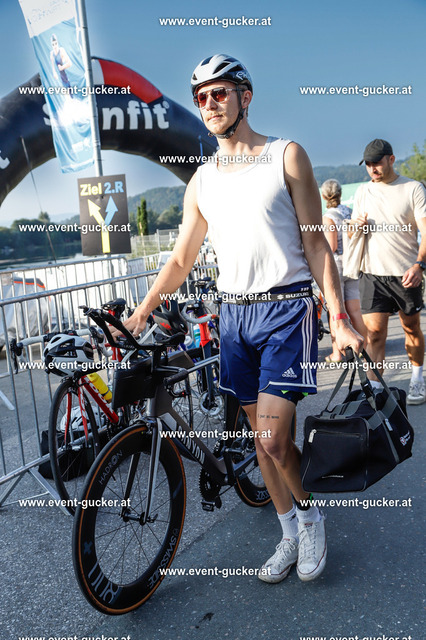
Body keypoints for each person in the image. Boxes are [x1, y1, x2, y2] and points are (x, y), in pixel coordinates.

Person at [117, 54, 363, 584]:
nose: (209, 103)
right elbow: (181, 259)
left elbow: (316, 245)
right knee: (260, 441)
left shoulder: (285, 156)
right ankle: (288, 531)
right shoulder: (202, 181)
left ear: (244, 97)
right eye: (200, 96)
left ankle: (311, 518)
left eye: (219, 92)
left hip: (286, 311)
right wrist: (141, 311)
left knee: (272, 439)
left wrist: (340, 317)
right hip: (233, 317)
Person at [350, 138, 426, 404]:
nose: (372, 169)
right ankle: (375, 392)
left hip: (406, 273)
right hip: (372, 273)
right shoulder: (363, 191)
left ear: (391, 160)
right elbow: (352, 232)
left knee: (411, 328)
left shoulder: (413, 188)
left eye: (377, 163)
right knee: (374, 334)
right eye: (368, 164)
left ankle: (417, 378)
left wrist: (420, 265)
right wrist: (355, 227)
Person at [321, 179, 367, 363]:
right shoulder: (349, 211)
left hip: (336, 266)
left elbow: (331, 246)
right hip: (352, 264)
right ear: (340, 194)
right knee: (355, 310)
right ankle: (364, 349)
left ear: (324, 196)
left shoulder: (328, 216)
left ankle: (337, 353)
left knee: (335, 311)